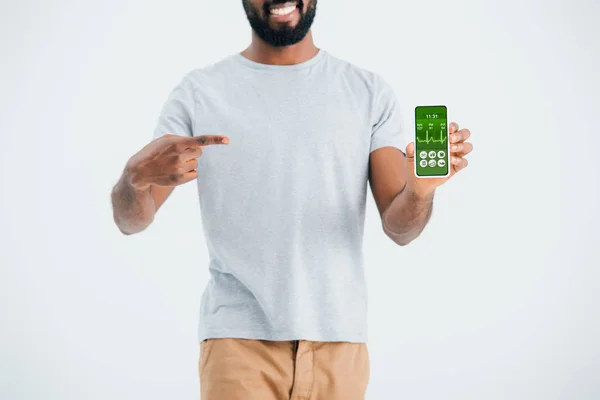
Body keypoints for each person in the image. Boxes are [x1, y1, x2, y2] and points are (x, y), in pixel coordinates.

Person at [110, 0, 473, 398]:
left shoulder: (367, 92)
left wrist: (419, 191)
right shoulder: (199, 93)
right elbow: (132, 220)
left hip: (340, 344)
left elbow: (399, 228)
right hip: (237, 343)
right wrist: (133, 179)